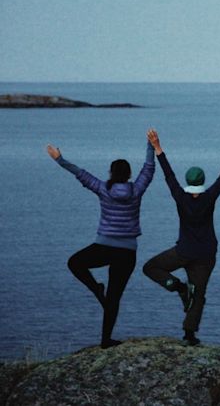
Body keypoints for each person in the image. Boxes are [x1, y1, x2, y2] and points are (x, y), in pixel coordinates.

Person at [46, 137, 155, 348]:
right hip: (127, 252)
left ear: (111, 173)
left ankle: (96, 288)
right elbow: (149, 169)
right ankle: (106, 340)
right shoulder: (136, 190)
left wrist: (59, 159)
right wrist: (151, 144)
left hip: (103, 247)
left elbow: (80, 173)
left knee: (74, 263)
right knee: (114, 297)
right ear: (129, 174)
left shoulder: (103, 188)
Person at [142, 129, 220, 346]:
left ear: (188, 182)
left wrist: (158, 148)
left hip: (184, 251)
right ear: (203, 181)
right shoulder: (210, 197)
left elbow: (169, 175)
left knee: (150, 267)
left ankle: (177, 287)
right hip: (206, 255)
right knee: (199, 296)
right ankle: (189, 335)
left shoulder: (180, 196)